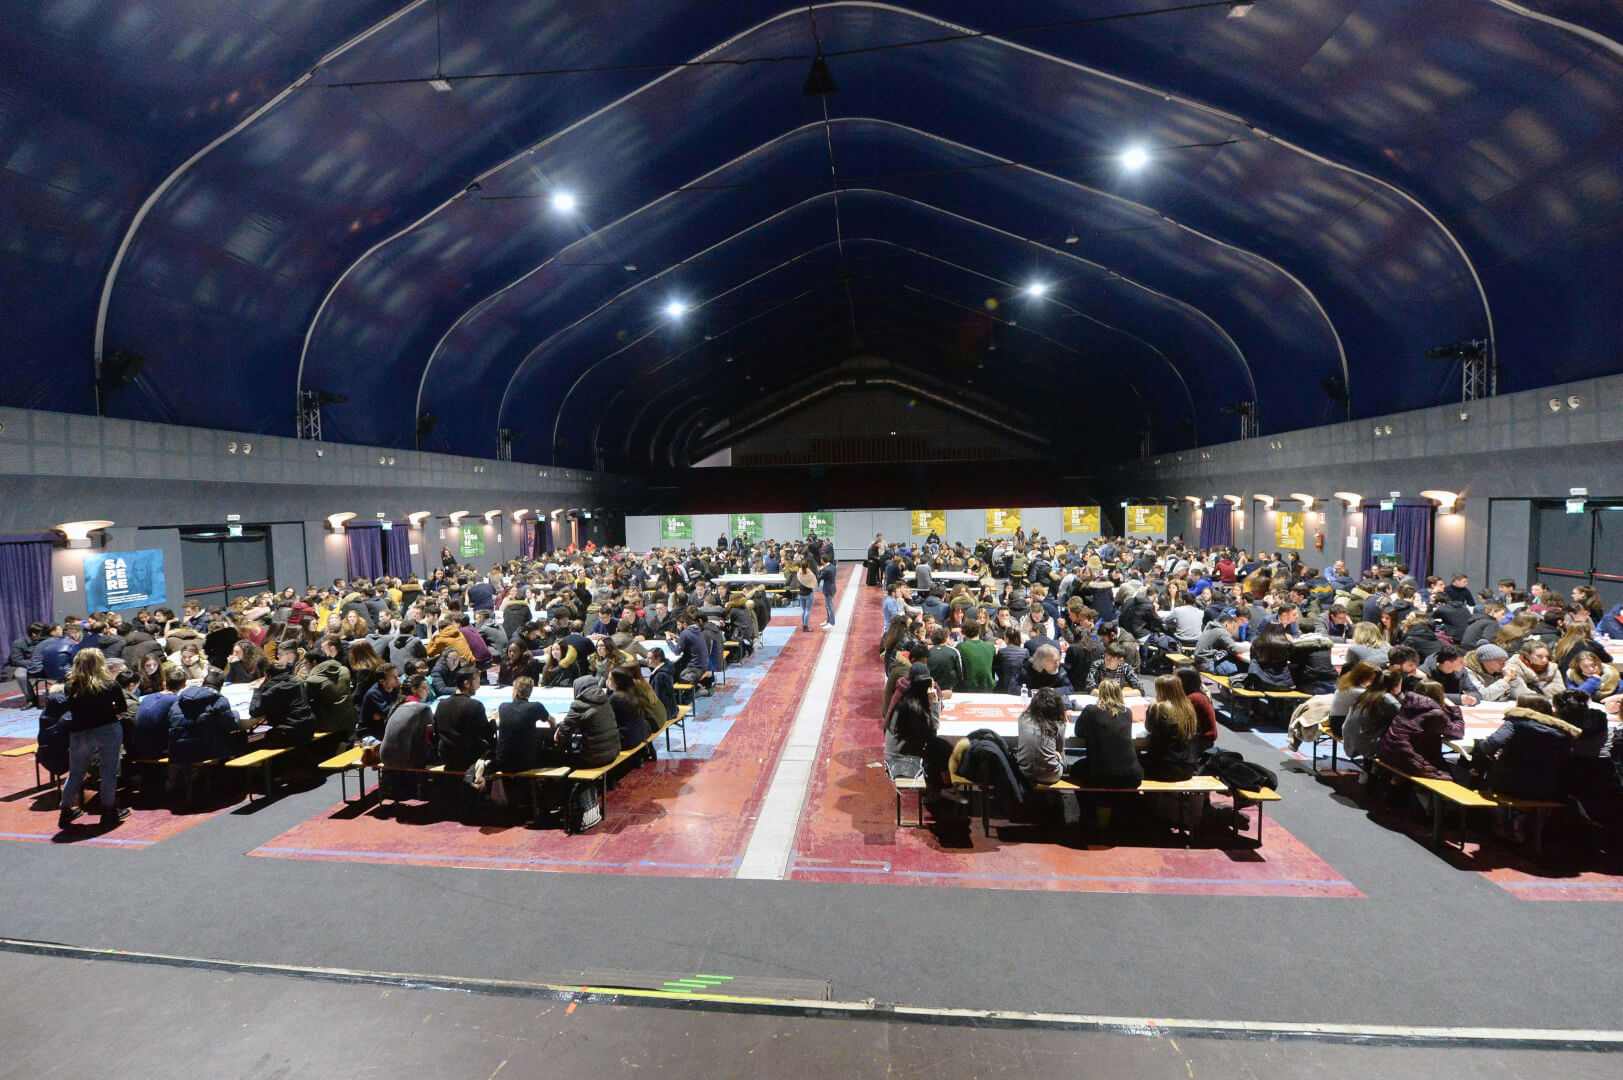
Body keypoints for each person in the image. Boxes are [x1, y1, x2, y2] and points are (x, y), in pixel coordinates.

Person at [56, 649, 130, 828]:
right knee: (108, 771)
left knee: (76, 773)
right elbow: (122, 707)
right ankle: (108, 811)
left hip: (81, 732)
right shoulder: (110, 684)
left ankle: (65, 810)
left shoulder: (70, 686)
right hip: (108, 729)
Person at [1472, 695, 1579, 802]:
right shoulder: (1563, 731)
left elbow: (1492, 743)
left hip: (1509, 785)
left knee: (1478, 749)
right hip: (1547, 788)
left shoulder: (1516, 721)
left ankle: (1475, 799)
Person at [883, 663, 954, 798]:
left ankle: (942, 789)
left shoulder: (908, 693)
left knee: (940, 748)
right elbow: (933, 728)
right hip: (901, 760)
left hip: (901, 751)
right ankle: (944, 790)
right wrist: (934, 701)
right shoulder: (910, 703)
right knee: (941, 749)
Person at [1376, 680, 1464, 780]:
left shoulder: (1407, 703)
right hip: (1408, 758)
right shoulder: (1435, 713)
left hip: (1388, 751)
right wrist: (1453, 707)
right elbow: (1458, 732)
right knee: (1452, 776)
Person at [1069, 678, 1143, 789]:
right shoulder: (1127, 712)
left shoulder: (1090, 710)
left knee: (1075, 769)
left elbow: (1078, 732)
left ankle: (1089, 800)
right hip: (1131, 775)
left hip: (1100, 775)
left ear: (1101, 693)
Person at [1141, 673, 1201, 782]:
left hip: (1164, 767)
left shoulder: (1157, 708)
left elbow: (1149, 728)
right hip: (1188, 767)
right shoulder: (1188, 707)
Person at [433, 668, 493, 773]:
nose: (479, 687)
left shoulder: (441, 704)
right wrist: (493, 722)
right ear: (467, 684)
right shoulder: (475, 706)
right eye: (477, 683)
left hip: (446, 756)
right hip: (468, 757)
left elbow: (437, 730)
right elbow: (487, 734)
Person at [1341, 669, 1403, 764]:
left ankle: (1371, 769)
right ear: (1395, 685)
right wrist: (1400, 695)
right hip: (1368, 747)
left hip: (1350, 740)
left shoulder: (1367, 694)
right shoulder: (1387, 699)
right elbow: (1405, 719)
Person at [128, 663, 187, 762]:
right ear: (184, 686)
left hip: (136, 746)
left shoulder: (147, 698)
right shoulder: (176, 701)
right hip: (155, 750)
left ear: (164, 684)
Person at [488, 676, 546, 776]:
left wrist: (493, 717)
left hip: (503, 762)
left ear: (515, 691)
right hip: (526, 762)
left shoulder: (503, 707)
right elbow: (551, 721)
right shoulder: (536, 707)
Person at [1015, 686, 1067, 786]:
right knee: (1062, 760)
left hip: (1024, 772)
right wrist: (1055, 755)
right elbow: (1061, 753)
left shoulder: (1022, 718)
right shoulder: (1059, 724)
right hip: (1050, 776)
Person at [1326, 661, 1381, 739]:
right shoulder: (1359, 692)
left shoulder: (1345, 686)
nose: (1372, 682)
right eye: (1371, 679)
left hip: (1335, 724)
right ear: (1363, 677)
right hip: (1343, 727)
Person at [1175, 667, 1219, 749]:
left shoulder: (1194, 698)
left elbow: (1180, 719)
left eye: (1177, 680)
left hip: (1202, 740)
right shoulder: (1197, 694)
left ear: (1185, 681)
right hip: (1202, 738)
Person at [1195, 611, 1243, 676]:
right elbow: (1234, 648)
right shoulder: (1222, 631)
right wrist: (1249, 649)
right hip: (1208, 663)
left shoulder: (1211, 626)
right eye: (1233, 627)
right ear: (1226, 624)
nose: (1233, 631)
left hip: (1199, 660)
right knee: (1238, 670)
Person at [955, 619, 996, 691]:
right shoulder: (991, 646)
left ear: (964, 633)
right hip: (989, 686)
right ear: (979, 631)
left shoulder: (960, 647)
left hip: (968, 687)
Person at [993, 627, 1029, 695]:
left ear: (1007, 638)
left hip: (1003, 686)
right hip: (1019, 687)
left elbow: (996, 669)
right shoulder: (1025, 652)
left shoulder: (1001, 652)